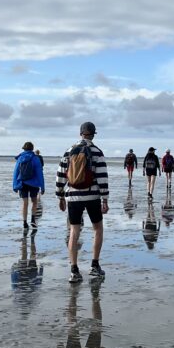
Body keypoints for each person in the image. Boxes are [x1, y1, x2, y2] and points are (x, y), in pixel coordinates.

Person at [56, 121, 109, 283]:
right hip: (93, 197)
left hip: (73, 197)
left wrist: (60, 196)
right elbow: (102, 177)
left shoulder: (69, 151)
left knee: (74, 231)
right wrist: (105, 199)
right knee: (98, 229)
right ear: (93, 134)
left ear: (80, 133)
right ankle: (94, 266)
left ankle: (74, 270)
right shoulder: (97, 152)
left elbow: (60, 175)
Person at [14, 141, 45, 229]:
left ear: (24, 149)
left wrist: (15, 185)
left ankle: (24, 222)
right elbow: (40, 173)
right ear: (32, 149)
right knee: (34, 201)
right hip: (34, 184)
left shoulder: (20, 158)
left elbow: (16, 172)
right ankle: (32, 220)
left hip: (23, 183)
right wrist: (42, 187)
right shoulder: (36, 158)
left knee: (25, 203)